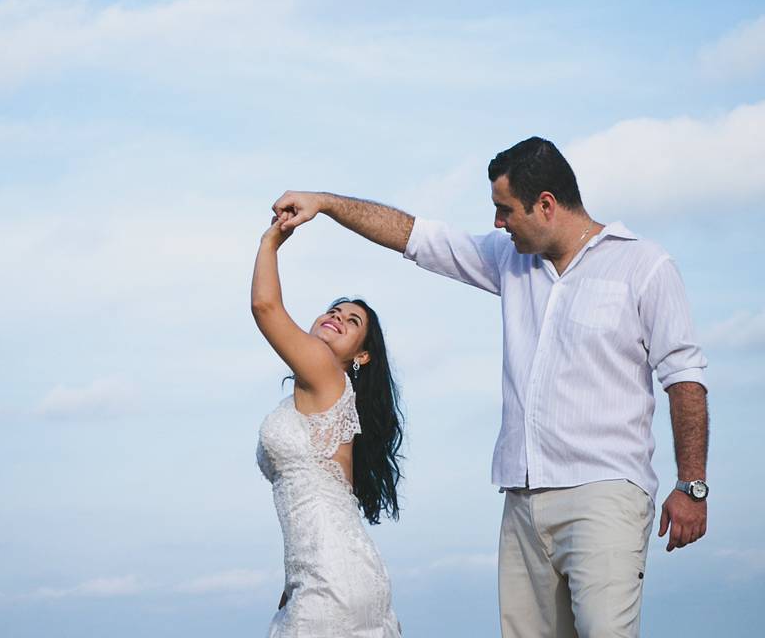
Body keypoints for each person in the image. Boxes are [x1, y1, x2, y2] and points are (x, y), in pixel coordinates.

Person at [270, 137, 709, 638]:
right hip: (521, 501)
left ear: (545, 204)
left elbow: (684, 377)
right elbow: (414, 236)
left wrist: (691, 484)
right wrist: (325, 205)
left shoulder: (644, 265)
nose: (498, 223)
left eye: (505, 210)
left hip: (605, 492)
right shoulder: (510, 259)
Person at [252, 211, 404, 637]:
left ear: (361, 356)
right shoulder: (325, 402)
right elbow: (323, 506)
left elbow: (265, 306)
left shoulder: (328, 374)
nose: (336, 317)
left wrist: (270, 242)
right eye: (334, 310)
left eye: (352, 322)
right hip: (330, 572)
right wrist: (292, 582)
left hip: (333, 579)